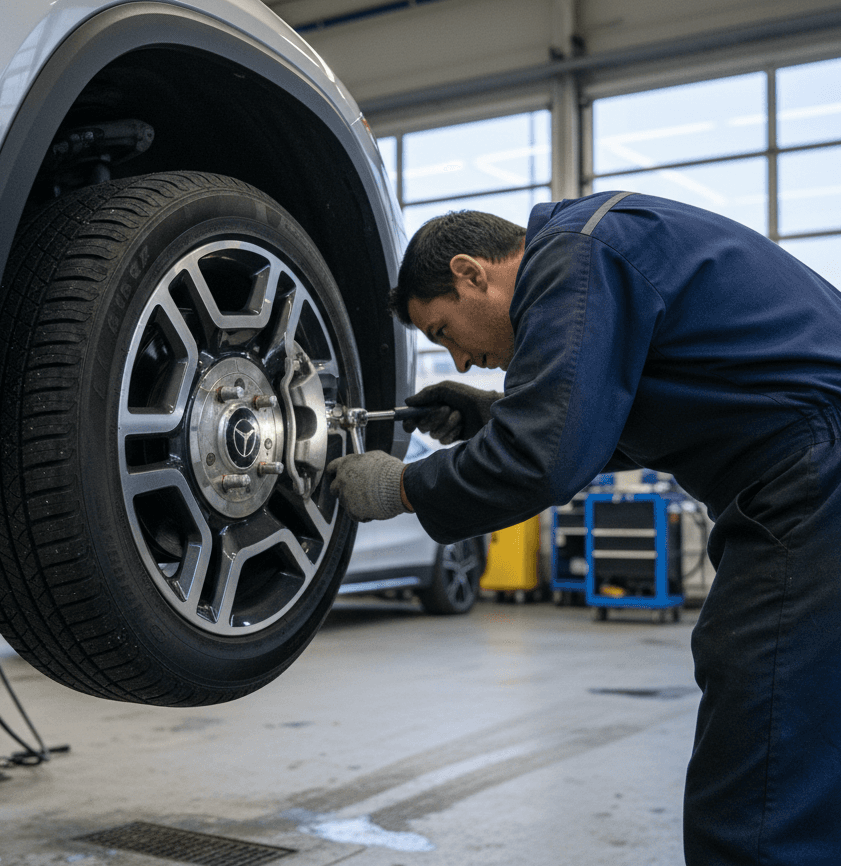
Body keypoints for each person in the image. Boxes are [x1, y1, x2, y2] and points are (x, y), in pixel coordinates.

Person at [326, 192, 841, 866]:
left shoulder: (574, 253)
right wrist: (489, 415)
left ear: (472, 273)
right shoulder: (600, 246)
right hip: (811, 460)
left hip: (816, 472)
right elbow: (604, 424)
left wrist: (398, 486)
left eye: (445, 332)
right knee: (810, 735)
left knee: (763, 743)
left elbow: (544, 457)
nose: (456, 360)